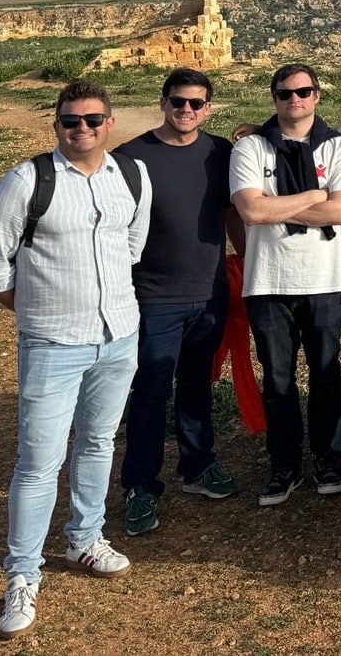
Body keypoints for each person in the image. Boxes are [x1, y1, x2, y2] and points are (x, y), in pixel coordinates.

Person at [0, 80, 152, 637]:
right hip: (52, 342)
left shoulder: (132, 178)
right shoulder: (26, 183)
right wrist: (37, 311)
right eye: (71, 121)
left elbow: (131, 248)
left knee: (98, 442)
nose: (83, 129)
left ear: (109, 124)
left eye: (93, 120)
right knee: (38, 463)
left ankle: (85, 539)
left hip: (119, 335)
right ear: (56, 126)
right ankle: (22, 574)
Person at [116, 68, 243, 539]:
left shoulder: (220, 152)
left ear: (208, 107)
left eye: (196, 103)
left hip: (209, 291)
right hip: (153, 296)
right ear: (163, 103)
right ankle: (140, 484)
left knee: (196, 383)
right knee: (151, 390)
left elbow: (232, 213)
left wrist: (248, 262)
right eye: (177, 102)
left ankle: (198, 464)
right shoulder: (131, 158)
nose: (186, 110)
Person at [229, 63, 341, 507]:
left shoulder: (340, 146)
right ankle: (283, 463)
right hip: (267, 281)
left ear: (317, 95)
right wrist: (312, 196)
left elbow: (340, 214)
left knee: (326, 374)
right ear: (274, 97)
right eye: (285, 93)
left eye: (303, 91)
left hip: (323, 280)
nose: (294, 100)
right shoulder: (250, 146)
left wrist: (275, 205)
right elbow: (251, 213)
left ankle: (327, 456)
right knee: (278, 379)